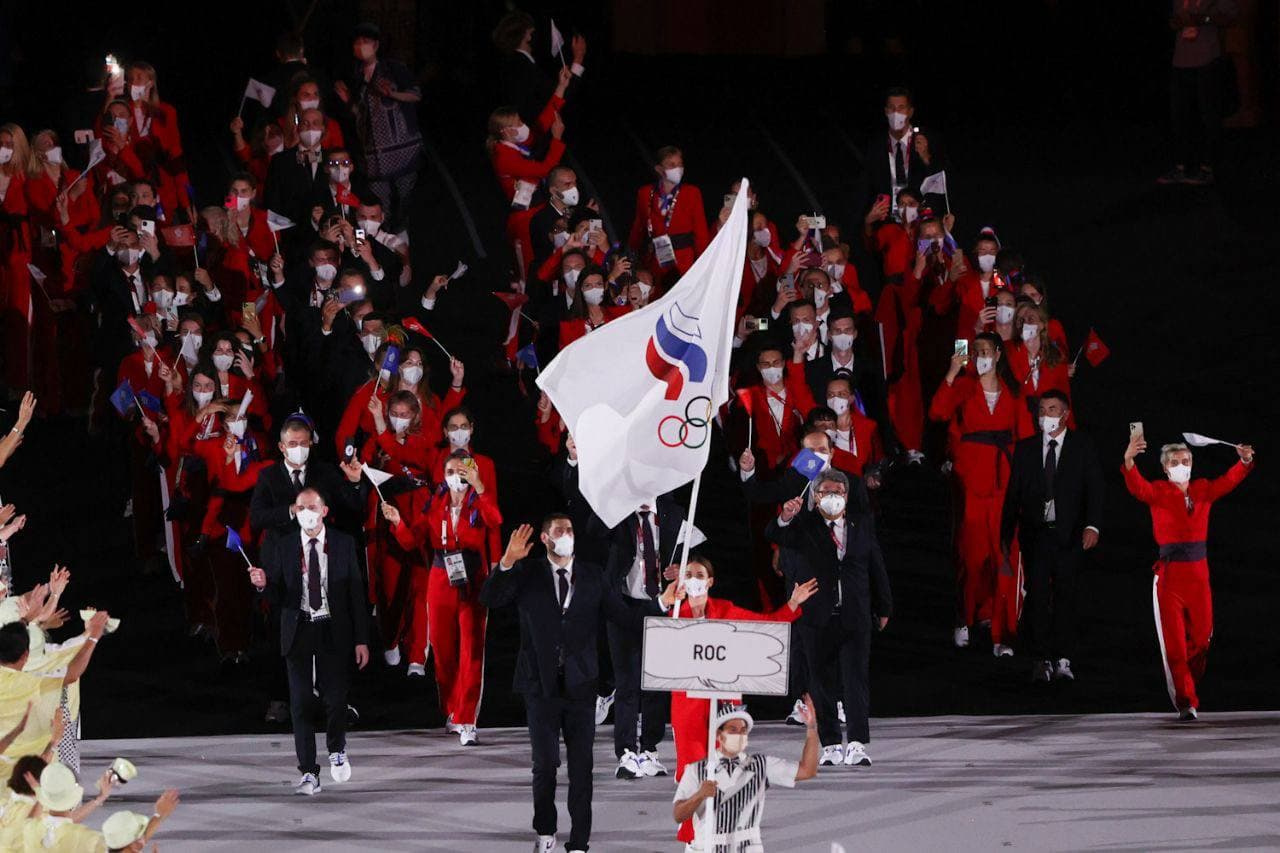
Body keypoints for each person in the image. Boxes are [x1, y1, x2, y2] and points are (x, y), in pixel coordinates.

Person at [481, 518, 680, 853]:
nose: (567, 536)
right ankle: (545, 831)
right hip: (539, 686)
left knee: (581, 769)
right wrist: (507, 562)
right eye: (559, 531)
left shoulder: (593, 575)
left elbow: (625, 617)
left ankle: (578, 842)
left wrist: (661, 603)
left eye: (570, 530)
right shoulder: (528, 572)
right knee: (545, 766)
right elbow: (490, 598)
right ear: (545, 538)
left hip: (581, 686)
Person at [1121, 433, 1254, 720]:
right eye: (1174, 462)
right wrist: (1129, 459)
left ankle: (1187, 684)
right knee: (1175, 647)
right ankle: (1186, 701)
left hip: (1198, 575)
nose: (1181, 465)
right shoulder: (1158, 491)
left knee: (1202, 640)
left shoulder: (1203, 489)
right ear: (1165, 468)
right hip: (1170, 577)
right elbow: (1138, 486)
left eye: (1185, 460)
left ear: (1192, 463)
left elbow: (1228, 481)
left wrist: (1243, 462)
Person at [249, 487, 371, 794]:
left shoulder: (343, 543)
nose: (306, 513)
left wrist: (361, 639)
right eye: (300, 508)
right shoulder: (285, 545)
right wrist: (263, 585)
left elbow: (356, 594)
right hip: (299, 628)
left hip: (333, 628)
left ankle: (337, 747)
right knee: (300, 703)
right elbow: (278, 594)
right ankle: (308, 772)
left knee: (336, 699)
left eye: (312, 507)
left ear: (324, 511)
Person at [767, 470, 892, 767]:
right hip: (816, 615)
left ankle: (857, 743)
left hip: (854, 614)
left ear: (847, 496)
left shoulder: (861, 524)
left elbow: (875, 565)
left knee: (855, 680)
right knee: (820, 682)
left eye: (838, 491)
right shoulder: (804, 525)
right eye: (826, 492)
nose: (832, 496)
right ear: (816, 496)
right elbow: (774, 535)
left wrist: (884, 606)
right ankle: (832, 744)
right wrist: (785, 516)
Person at [383, 451, 501, 743]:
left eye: (462, 471)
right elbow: (412, 540)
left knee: (471, 649)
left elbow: (495, 520)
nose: (455, 477)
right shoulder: (435, 501)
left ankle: (467, 719)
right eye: (450, 471)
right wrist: (397, 522)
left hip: (472, 575)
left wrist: (481, 486)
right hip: (440, 574)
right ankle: (452, 710)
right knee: (443, 649)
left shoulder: (478, 500)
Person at [929, 333, 1033, 653]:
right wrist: (951, 371)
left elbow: (1027, 438)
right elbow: (937, 413)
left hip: (1004, 485)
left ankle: (1001, 631)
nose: (981, 357)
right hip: (971, 483)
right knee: (971, 558)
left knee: (1003, 558)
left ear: (998, 354)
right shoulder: (963, 386)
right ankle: (965, 616)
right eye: (976, 352)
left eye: (987, 351)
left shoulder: (1013, 392)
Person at [1001, 391, 1104, 681]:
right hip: (1036, 535)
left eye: (1053, 409)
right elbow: (1013, 496)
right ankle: (1041, 658)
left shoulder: (1082, 446)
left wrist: (1093, 526)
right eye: (1042, 410)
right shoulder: (1026, 449)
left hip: (1069, 535)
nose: (1046, 415)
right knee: (1037, 596)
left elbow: (1095, 488)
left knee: (1066, 596)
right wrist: (1006, 537)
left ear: (1065, 414)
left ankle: (1064, 658)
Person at [600, 496, 684, 780]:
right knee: (626, 684)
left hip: (661, 605)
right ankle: (626, 753)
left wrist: (680, 569)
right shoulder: (618, 513)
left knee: (655, 684)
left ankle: (649, 749)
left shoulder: (673, 513)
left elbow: (690, 555)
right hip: (623, 607)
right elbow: (594, 531)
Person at [672, 702, 820, 853]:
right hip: (706, 846)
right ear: (719, 735)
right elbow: (678, 815)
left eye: (743, 731)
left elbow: (807, 770)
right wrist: (699, 796)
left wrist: (812, 728)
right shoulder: (696, 770)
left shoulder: (761, 764)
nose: (739, 735)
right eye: (733, 730)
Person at [334, 23, 423, 227]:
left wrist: (392, 94)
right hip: (373, 153)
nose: (361, 46)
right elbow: (361, 114)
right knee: (380, 202)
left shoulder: (393, 69)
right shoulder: (356, 76)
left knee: (404, 197)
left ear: (375, 45)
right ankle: (383, 234)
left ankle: (401, 231)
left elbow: (415, 95)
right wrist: (347, 100)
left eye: (365, 42)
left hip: (401, 148)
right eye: (357, 43)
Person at [1158, 1, 1238, 186]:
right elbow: (1173, 21)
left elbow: (1231, 17)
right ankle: (1182, 167)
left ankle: (1207, 169)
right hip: (1180, 61)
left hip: (1207, 61)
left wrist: (1203, 18)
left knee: (1209, 117)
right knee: (1180, 117)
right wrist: (1177, 23)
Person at [628, 146, 709, 283]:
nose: (678, 168)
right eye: (672, 165)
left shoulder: (691, 192)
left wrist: (704, 265)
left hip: (684, 261)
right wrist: (631, 257)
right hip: (655, 258)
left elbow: (701, 233)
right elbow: (638, 228)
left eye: (680, 164)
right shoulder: (645, 193)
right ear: (659, 169)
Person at [100, 789, 181, 852]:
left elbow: (144, 837)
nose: (142, 842)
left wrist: (159, 815)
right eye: (138, 838)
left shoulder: (121, 846)